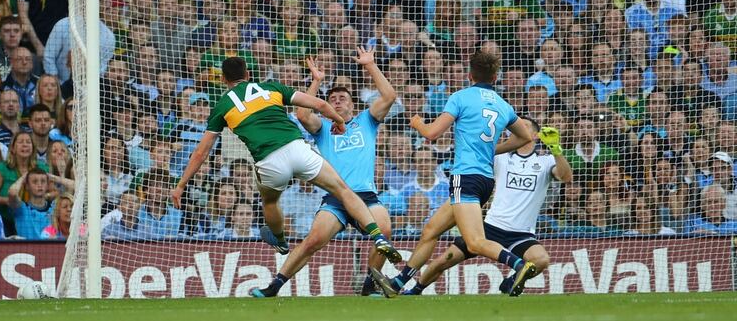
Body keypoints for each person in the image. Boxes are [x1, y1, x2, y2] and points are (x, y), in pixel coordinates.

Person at [172, 57, 401, 268]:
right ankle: (377, 236)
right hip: (297, 148)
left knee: (270, 202)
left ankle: (280, 241)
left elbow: (201, 153)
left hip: (269, 161)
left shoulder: (222, 106)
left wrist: (181, 184)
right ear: (249, 74)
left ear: (223, 80)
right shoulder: (271, 88)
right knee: (342, 189)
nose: (338, 101)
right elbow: (316, 107)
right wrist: (339, 120)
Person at [369, 50, 535, 298]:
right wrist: (491, 150)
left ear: (469, 75)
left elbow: (432, 134)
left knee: (475, 242)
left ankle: (520, 265)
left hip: (464, 177)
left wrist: (417, 123)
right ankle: (398, 283)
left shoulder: (461, 97)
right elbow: (525, 137)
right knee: (431, 231)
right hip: (484, 180)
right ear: (496, 77)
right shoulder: (503, 105)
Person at [252, 47, 397, 297]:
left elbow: (389, 96)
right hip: (336, 198)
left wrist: (370, 65)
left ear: (353, 103)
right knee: (313, 241)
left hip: (366, 195)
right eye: (333, 99)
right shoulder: (324, 127)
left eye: (342, 97)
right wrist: (316, 81)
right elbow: (303, 113)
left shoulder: (367, 120)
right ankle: (274, 286)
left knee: (384, 231)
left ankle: (369, 284)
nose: (337, 101)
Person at [402, 119, 572, 295]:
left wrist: (556, 150)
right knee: (442, 261)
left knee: (541, 260)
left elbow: (566, 177)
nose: (519, 127)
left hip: (521, 234)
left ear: (535, 135)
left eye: (525, 125)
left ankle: (511, 282)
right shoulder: (500, 158)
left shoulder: (546, 161)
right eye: (517, 125)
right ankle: (415, 290)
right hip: (489, 228)